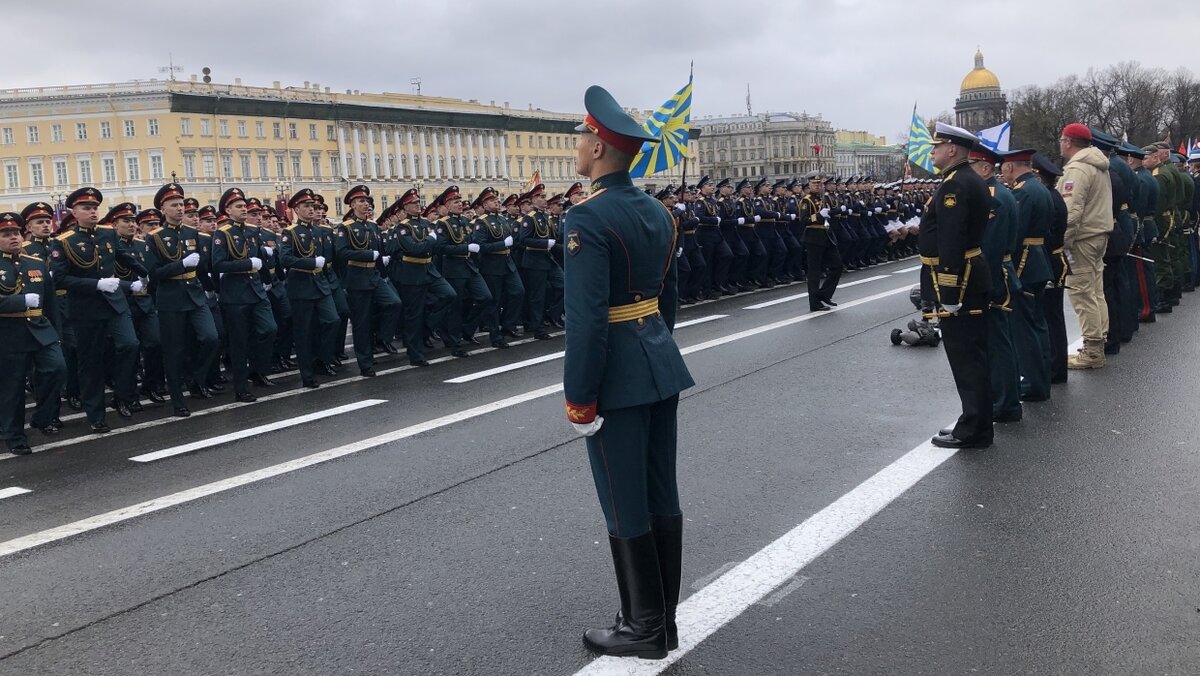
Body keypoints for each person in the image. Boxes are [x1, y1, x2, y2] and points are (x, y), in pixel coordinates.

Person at [565, 85, 695, 660]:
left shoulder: (586, 217)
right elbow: (664, 300)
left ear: (598, 149)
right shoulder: (658, 211)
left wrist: (579, 396)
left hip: (617, 373)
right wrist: (655, 348)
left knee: (623, 500)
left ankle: (642, 628)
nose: (578, 146)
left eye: (582, 138)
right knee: (660, 491)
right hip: (658, 363)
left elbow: (587, 320)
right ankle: (662, 620)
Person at [920, 123, 992, 449]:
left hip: (959, 280)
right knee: (970, 354)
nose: (932, 151)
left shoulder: (955, 185)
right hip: (968, 274)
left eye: (937, 146)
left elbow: (951, 240)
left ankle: (973, 428)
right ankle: (976, 422)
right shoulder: (966, 180)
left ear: (952, 149)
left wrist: (948, 293)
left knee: (966, 357)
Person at [49, 187, 145, 433]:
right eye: (86, 208)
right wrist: (95, 284)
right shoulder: (63, 242)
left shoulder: (107, 234)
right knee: (90, 362)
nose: (92, 212)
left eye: (94, 208)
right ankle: (96, 413)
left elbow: (124, 257)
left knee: (130, 345)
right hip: (86, 308)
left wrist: (147, 275)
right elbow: (59, 280)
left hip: (114, 303)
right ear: (74, 212)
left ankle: (122, 395)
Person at [0, 212, 66, 454]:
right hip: (8, 334)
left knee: (58, 369)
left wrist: (57, 335)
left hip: (40, 330)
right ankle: (15, 436)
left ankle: (42, 416)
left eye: (16, 233)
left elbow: (50, 305)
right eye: (6, 234)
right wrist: (19, 302)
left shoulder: (36, 263)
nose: (13, 238)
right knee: (12, 389)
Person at [969, 142, 1021, 423]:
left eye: (972, 167)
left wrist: (981, 282)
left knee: (997, 343)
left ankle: (1005, 403)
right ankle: (1005, 399)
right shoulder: (999, 193)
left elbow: (989, 246)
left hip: (994, 275)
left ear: (986, 168)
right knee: (999, 340)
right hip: (1001, 271)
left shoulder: (993, 198)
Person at [211, 188, 278, 402]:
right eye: (238, 206)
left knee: (269, 328)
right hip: (236, 295)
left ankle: (257, 370)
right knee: (239, 342)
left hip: (257, 291)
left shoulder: (252, 231)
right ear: (228, 210)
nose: (243, 209)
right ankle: (241, 387)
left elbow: (260, 258)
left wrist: (268, 281)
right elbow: (218, 264)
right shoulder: (222, 233)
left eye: (244, 206)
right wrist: (247, 264)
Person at [998, 149, 1053, 402]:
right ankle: (1040, 378)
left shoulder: (1022, 192)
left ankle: (1033, 382)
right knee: (1038, 325)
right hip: (1038, 259)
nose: (1002, 173)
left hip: (1025, 263)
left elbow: (1015, 233)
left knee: (1025, 329)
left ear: (1010, 167)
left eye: (1003, 168)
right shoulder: (1039, 188)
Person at [1056, 123, 1113, 369]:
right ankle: (1098, 340)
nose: (1060, 143)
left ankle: (1092, 350)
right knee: (1095, 291)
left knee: (1081, 293)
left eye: (1061, 139)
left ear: (1069, 142)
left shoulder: (1078, 169)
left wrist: (1062, 243)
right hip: (1097, 234)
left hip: (1082, 238)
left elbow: (1071, 211)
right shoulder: (1097, 166)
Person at [280, 188, 339, 389]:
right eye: (306, 206)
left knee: (332, 320)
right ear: (296, 209)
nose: (311, 209)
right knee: (304, 332)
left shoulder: (318, 231)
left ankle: (320, 358)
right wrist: (311, 262)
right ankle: (307, 374)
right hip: (301, 287)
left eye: (313, 206)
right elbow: (285, 259)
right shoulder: (290, 232)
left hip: (320, 285)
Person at [1032, 152, 1070, 383]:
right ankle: (1056, 366)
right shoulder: (1053, 195)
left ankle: (1055, 367)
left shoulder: (1048, 198)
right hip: (1055, 258)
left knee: (1049, 317)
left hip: (1049, 259)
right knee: (1052, 316)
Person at [799, 173, 843, 311]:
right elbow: (804, 220)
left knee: (837, 266)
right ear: (809, 185)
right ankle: (814, 303)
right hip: (813, 236)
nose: (817, 186)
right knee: (814, 271)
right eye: (814, 184)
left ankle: (824, 294)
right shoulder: (806, 200)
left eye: (819, 184)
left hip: (826, 235)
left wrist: (835, 211)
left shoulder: (824, 198)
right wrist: (819, 215)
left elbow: (828, 213)